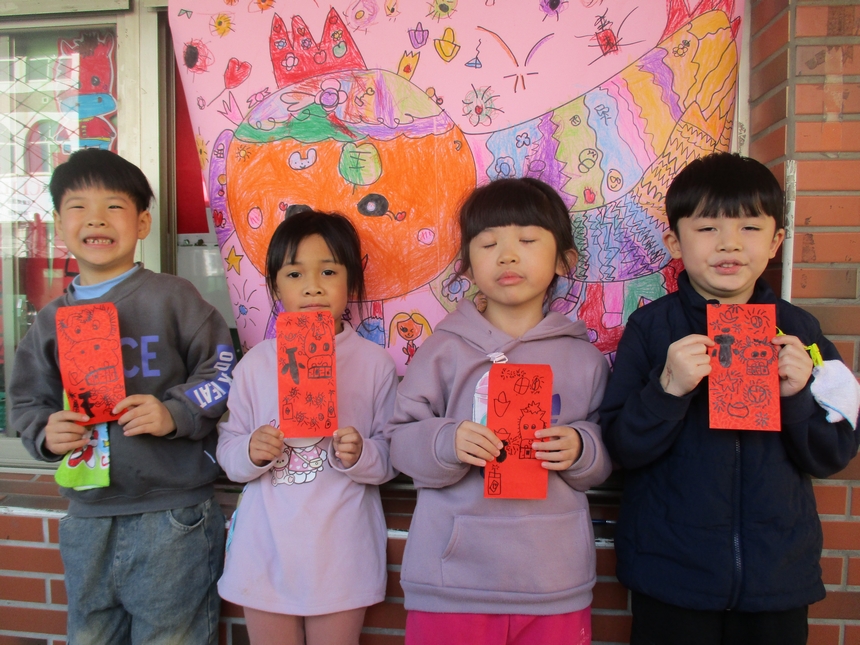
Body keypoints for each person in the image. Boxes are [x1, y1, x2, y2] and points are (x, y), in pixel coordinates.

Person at [599, 152, 860, 645]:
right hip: (672, 575)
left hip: (776, 578)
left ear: (776, 241)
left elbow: (832, 453)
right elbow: (619, 448)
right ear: (674, 241)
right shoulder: (652, 328)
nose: (729, 244)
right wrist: (667, 390)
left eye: (750, 228)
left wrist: (797, 397)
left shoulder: (800, 332)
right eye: (707, 228)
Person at [10, 148, 236, 644]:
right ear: (58, 223)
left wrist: (175, 412)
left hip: (172, 513)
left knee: (172, 636)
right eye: (78, 207)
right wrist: (46, 432)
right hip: (88, 516)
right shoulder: (50, 320)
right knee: (91, 634)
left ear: (143, 223)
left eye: (114, 206)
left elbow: (223, 369)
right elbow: (27, 402)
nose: (96, 219)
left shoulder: (173, 297)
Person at [388, 177, 611, 645]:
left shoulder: (585, 359)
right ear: (468, 266)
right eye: (489, 244)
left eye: (527, 241)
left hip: (553, 582)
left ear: (564, 260)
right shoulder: (444, 350)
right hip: (452, 584)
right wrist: (446, 442)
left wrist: (581, 448)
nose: (507, 256)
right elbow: (398, 441)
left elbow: (607, 454)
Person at [216, 210, 398, 645]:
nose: (313, 286)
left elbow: (392, 456)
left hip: (341, 551)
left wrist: (361, 453)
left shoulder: (374, 364)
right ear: (276, 286)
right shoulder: (255, 364)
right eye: (295, 274)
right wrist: (250, 450)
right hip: (264, 550)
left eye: (328, 272)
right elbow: (228, 450)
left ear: (351, 282)